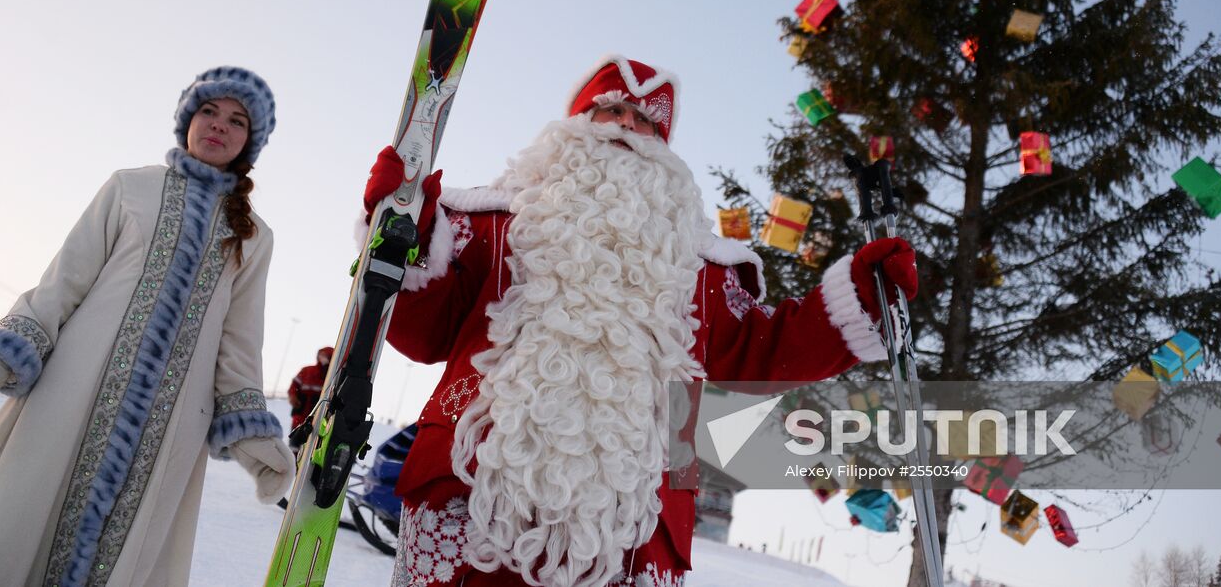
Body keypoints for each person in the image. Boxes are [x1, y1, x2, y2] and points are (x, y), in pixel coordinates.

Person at [362, 55, 920, 587]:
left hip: (634, 529)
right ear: (575, 125)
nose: (627, 126)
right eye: (612, 109)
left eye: (646, 121)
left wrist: (863, 300)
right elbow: (422, 329)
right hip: (471, 497)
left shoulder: (703, 271)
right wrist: (401, 231)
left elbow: (768, 350)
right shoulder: (486, 226)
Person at [0, 66, 295, 587]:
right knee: (24, 517)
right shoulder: (129, 187)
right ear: (188, 117)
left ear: (249, 142)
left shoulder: (253, 236)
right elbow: (63, 283)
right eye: (209, 110)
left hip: (171, 426)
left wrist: (251, 433)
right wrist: (2, 354)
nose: (219, 126)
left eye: (237, 120)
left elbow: (239, 341)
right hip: (72, 392)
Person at [287, 345, 335, 450]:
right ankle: (291, 461)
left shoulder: (332, 378)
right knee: (294, 445)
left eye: (325, 356)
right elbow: (294, 386)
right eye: (320, 355)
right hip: (301, 413)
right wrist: (293, 396)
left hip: (318, 417)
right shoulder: (307, 371)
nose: (322, 358)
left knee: (311, 446)